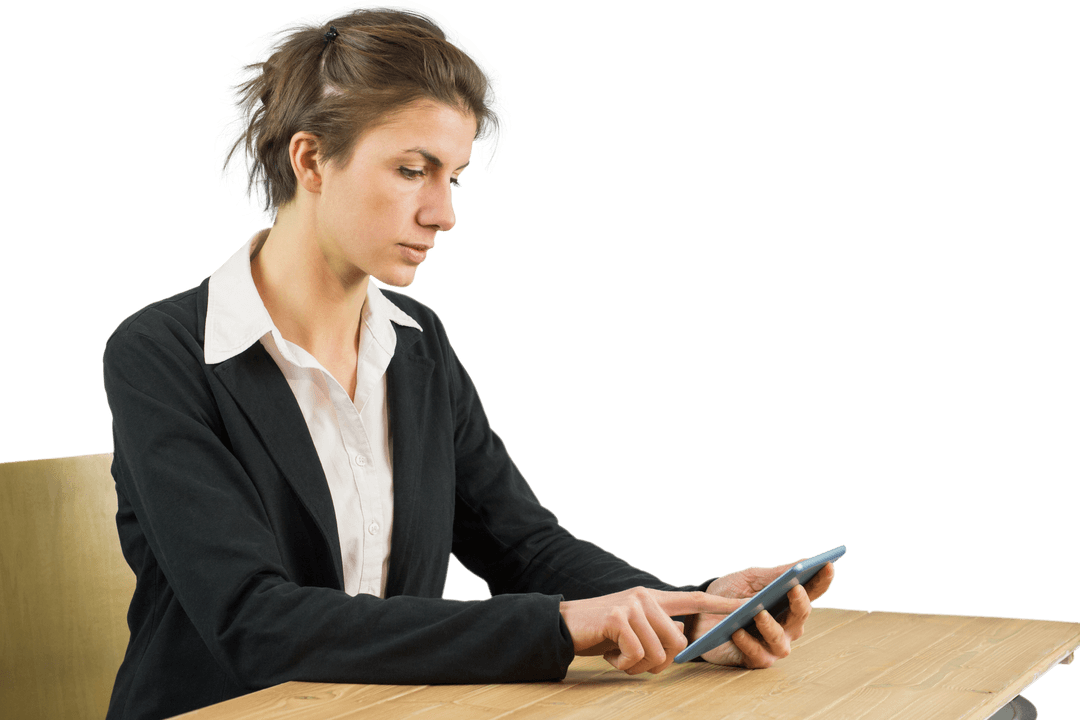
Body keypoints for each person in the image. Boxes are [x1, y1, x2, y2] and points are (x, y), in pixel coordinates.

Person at [101, 4, 835, 719]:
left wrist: (694, 613)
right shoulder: (162, 355)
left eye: (453, 176)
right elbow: (254, 622)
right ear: (311, 159)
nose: (443, 213)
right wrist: (556, 627)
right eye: (412, 170)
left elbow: (524, 544)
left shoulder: (416, 341)